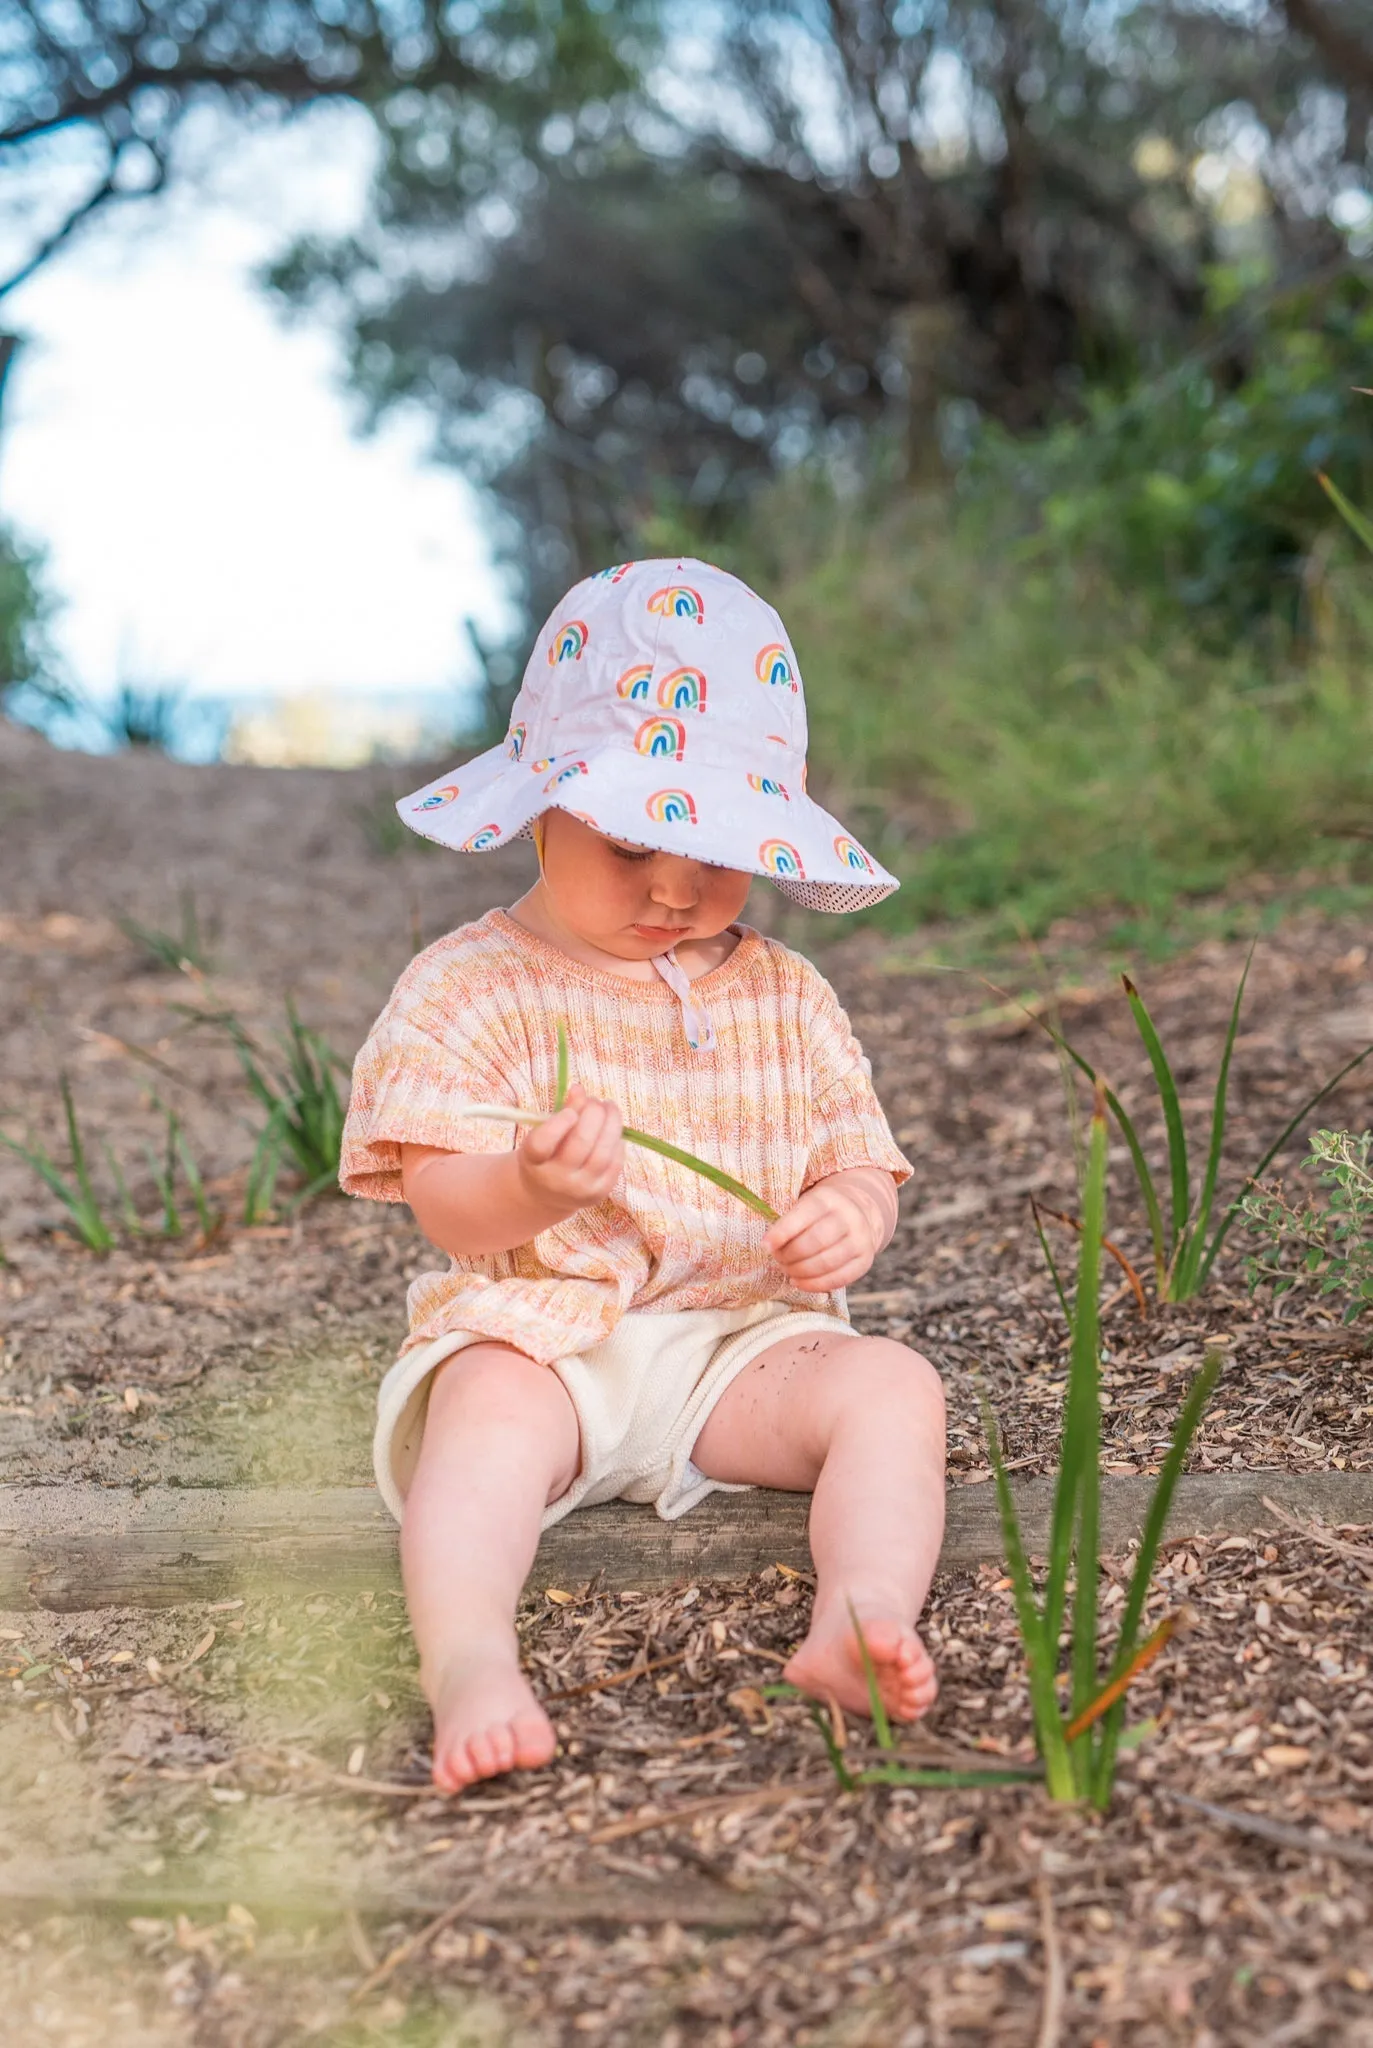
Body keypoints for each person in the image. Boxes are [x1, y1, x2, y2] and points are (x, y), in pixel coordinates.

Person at [340, 558, 946, 1793]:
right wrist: (530, 1184)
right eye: (631, 844)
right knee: (482, 1417)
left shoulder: (782, 993)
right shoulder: (469, 986)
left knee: (890, 1385)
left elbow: (855, 1156)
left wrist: (848, 1213)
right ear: (541, 806)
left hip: (739, 1343)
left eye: (714, 849)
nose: (674, 888)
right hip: (548, 1333)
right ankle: (467, 1662)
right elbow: (447, 1205)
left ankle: (862, 1611)